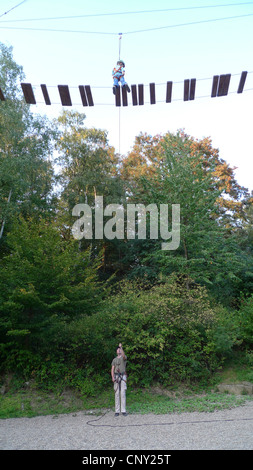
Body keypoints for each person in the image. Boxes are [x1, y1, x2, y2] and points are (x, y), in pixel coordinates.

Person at [111, 343, 127, 416]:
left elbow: (123, 356)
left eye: (120, 349)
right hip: (116, 377)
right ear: (116, 351)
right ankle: (117, 411)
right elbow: (112, 369)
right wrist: (113, 377)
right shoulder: (114, 359)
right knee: (116, 394)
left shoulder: (123, 358)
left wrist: (121, 347)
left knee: (122, 393)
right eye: (118, 349)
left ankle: (123, 410)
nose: (119, 350)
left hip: (123, 376)